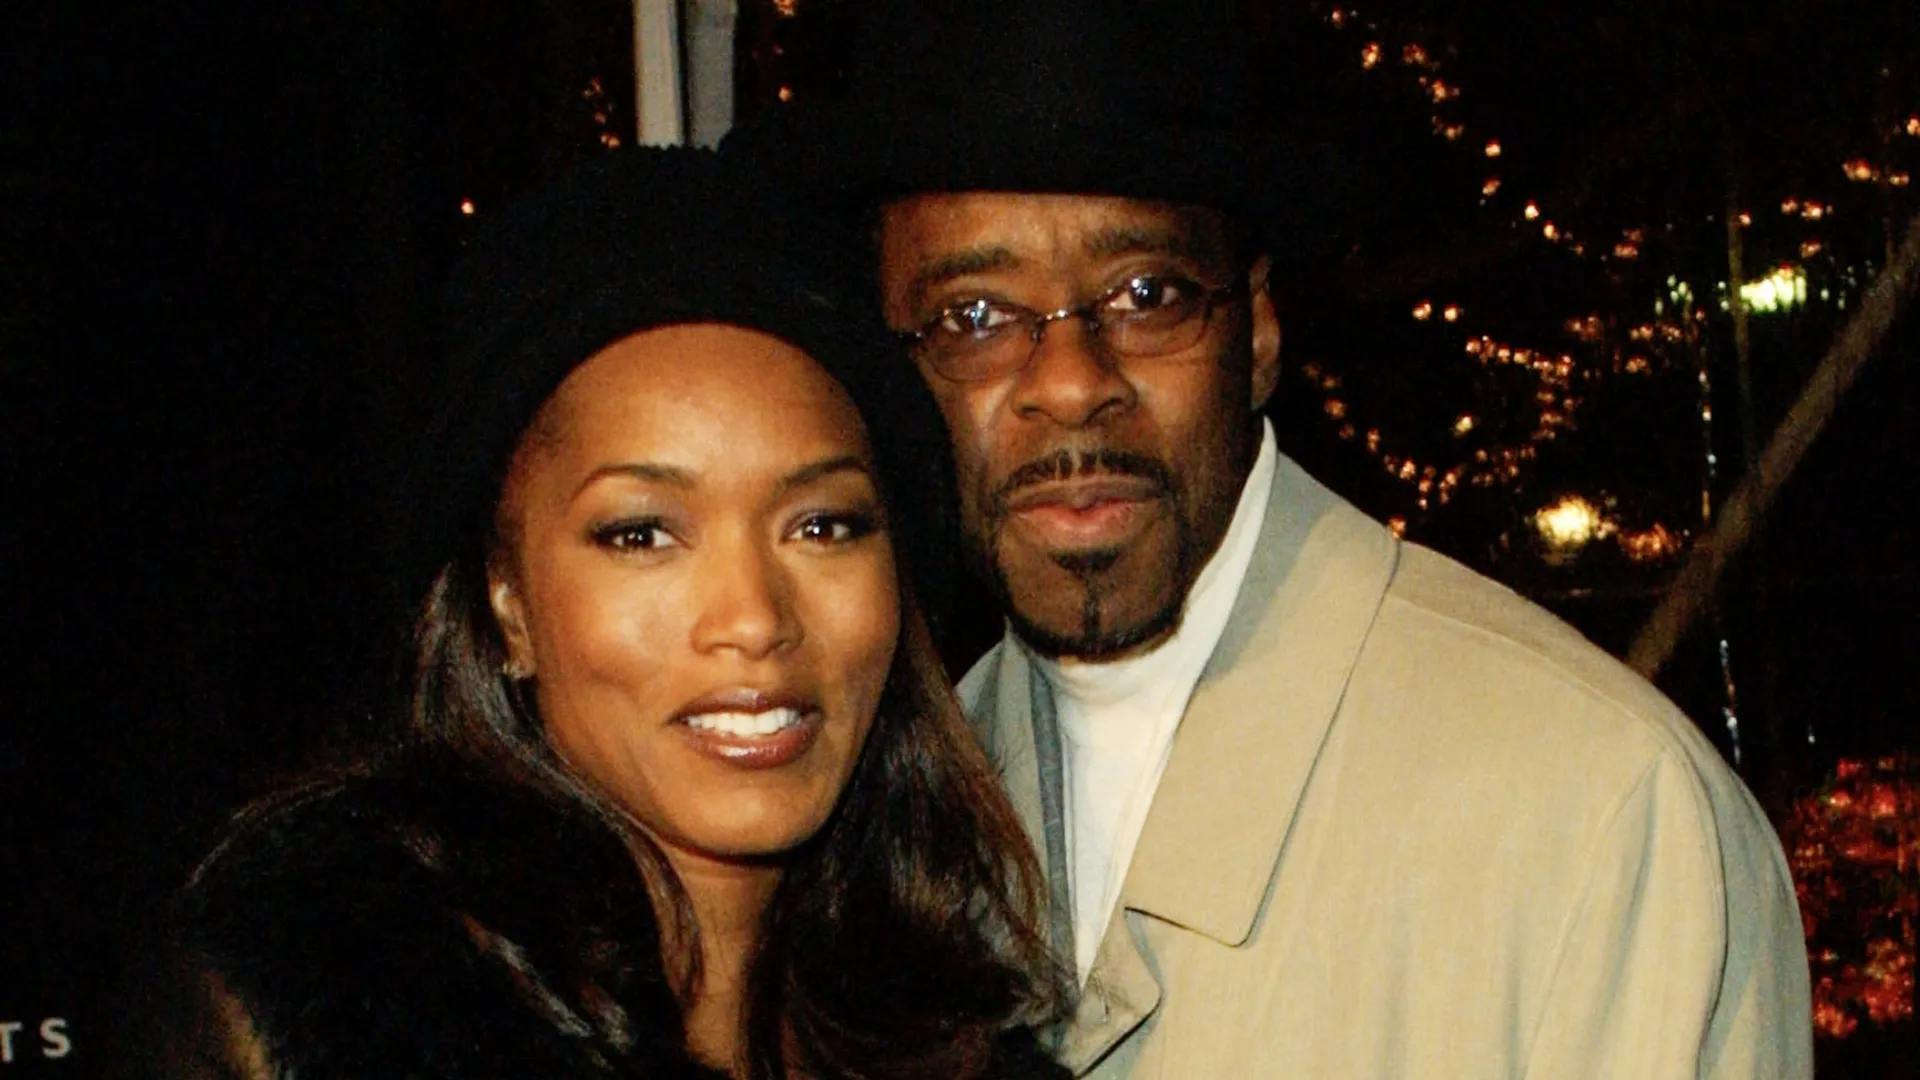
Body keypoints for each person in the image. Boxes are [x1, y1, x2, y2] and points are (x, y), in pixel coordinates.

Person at [731, 1, 1814, 1075]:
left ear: (1254, 333)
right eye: (974, 315)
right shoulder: (879, 819)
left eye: (1146, 294)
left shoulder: (1597, 815)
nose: (1068, 385)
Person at [128, 147, 1067, 1079]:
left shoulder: (968, 1044)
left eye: (823, 525)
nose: (752, 619)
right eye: (641, 535)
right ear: (507, 604)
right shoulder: (303, 1030)